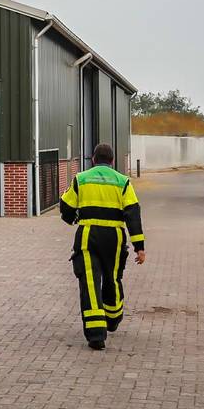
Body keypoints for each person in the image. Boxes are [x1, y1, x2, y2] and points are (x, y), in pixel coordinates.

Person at [58, 143, 146, 350]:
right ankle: (113, 318)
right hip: (114, 237)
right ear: (112, 161)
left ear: (93, 160)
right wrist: (139, 247)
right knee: (112, 277)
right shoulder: (123, 181)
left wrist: (72, 218)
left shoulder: (81, 179)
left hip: (88, 235)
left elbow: (66, 206)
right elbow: (133, 214)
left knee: (90, 282)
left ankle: (96, 335)